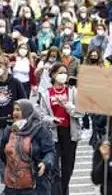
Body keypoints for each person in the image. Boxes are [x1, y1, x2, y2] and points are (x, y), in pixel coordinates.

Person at [37, 63, 84, 195]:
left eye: (65, 73)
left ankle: (64, 191)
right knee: (55, 170)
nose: (63, 75)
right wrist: (52, 120)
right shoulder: (46, 94)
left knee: (68, 169)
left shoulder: (73, 91)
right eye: (60, 72)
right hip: (53, 135)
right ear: (53, 75)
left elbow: (81, 112)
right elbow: (41, 116)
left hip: (70, 134)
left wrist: (68, 106)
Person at [0, 99, 55, 195]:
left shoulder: (40, 130)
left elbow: (50, 152)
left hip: (34, 186)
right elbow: (2, 155)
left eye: (18, 110)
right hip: (12, 186)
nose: (14, 113)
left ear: (26, 112)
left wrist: (45, 163)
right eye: (14, 110)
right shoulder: (9, 131)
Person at [0, 54, 27, 174]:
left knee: (13, 150)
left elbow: (24, 101)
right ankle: (3, 175)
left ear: (6, 67)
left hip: (11, 122)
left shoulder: (15, 82)